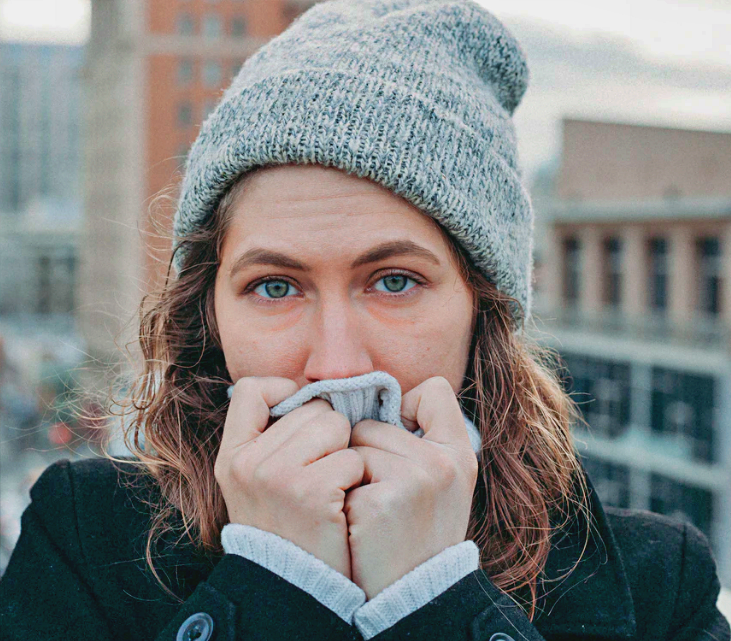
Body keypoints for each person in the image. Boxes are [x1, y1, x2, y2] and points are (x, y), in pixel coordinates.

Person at [0, 1, 728, 640]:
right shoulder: (83, 538)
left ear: (483, 310)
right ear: (208, 313)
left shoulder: (659, 585)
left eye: (394, 281)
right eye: (276, 286)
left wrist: (434, 599)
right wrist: (275, 584)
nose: (337, 365)